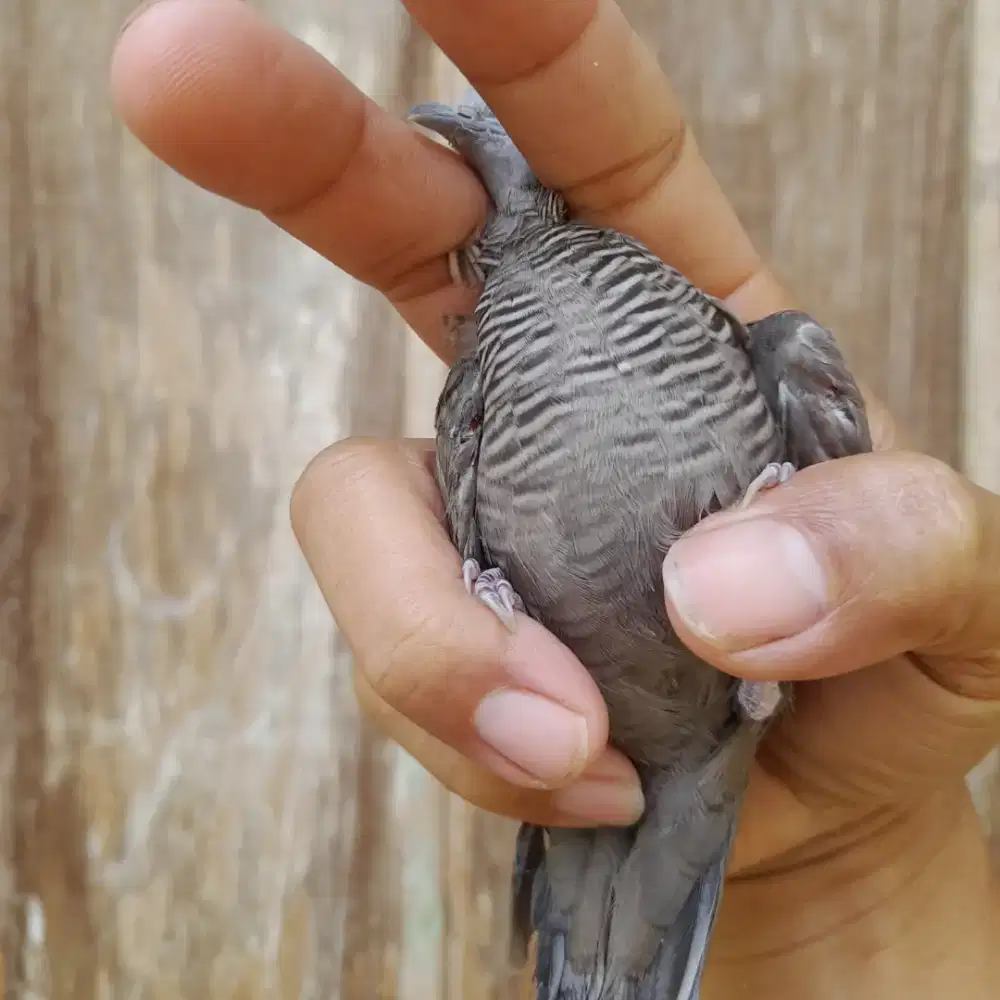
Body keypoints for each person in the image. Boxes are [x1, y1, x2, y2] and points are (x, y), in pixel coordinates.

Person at [112, 1, 999, 996]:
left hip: (731, 719)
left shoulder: (756, 349)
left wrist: (849, 834)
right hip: (625, 737)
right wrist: (484, 589)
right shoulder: (486, 380)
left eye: (516, 161)